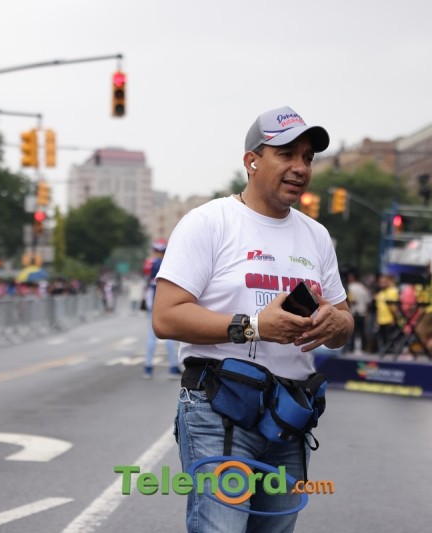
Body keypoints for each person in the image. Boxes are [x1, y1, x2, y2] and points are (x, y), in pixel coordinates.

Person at [152, 105, 353, 532]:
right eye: (286, 154)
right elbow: (166, 317)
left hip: (290, 416)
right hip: (218, 409)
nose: (300, 168)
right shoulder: (208, 222)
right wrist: (255, 326)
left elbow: (343, 320)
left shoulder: (317, 235)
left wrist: (337, 324)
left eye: (307, 158)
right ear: (252, 161)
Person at [144, 239, 180, 379]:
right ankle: (173, 368)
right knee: (169, 336)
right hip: (165, 302)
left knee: (151, 337)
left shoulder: (149, 263)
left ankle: (148, 368)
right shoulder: (167, 263)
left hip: (152, 301)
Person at [344, 269, 371, 354]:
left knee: (352, 332)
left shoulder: (349, 287)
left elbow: (351, 301)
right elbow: (368, 302)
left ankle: (350, 348)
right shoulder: (363, 288)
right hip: (362, 313)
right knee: (362, 332)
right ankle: (363, 348)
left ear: (351, 278)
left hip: (353, 313)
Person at [374, 274, 400, 355]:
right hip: (381, 320)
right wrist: (377, 321)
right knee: (383, 340)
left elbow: (394, 307)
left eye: (384, 282)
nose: (382, 284)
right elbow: (378, 309)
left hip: (390, 320)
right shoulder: (379, 294)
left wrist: (395, 318)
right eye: (381, 282)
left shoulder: (392, 291)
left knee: (391, 339)